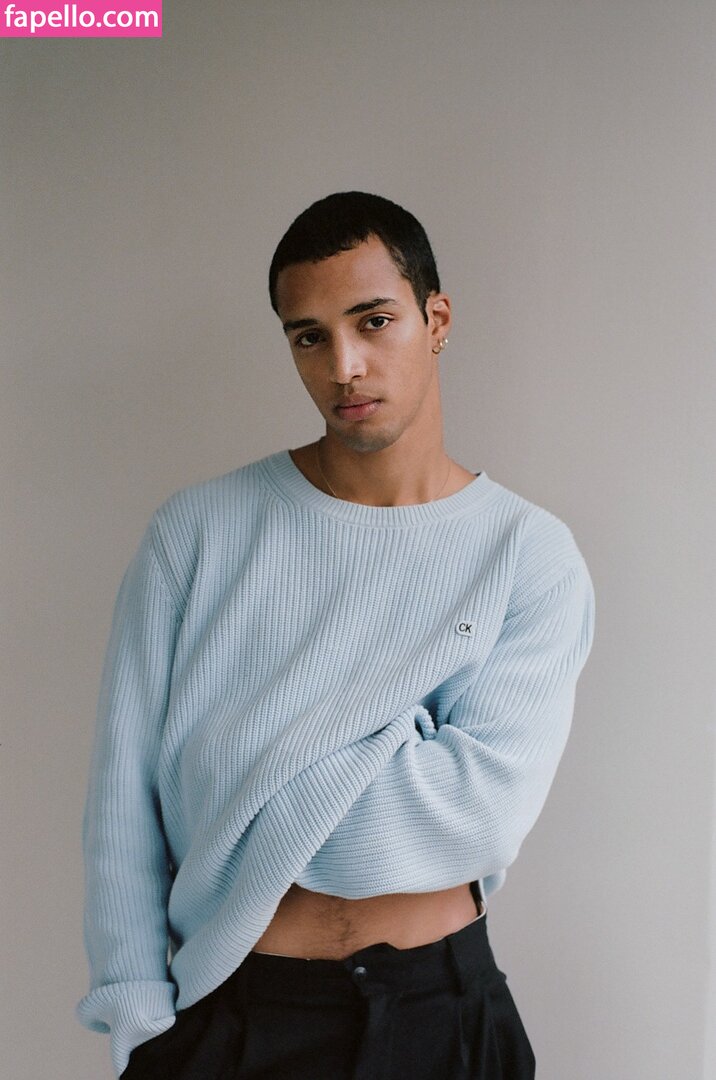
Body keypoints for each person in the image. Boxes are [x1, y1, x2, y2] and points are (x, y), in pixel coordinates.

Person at [77, 191, 596, 1079]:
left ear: (436, 320)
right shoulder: (197, 535)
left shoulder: (526, 554)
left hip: (442, 1017)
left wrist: (239, 768)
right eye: (309, 336)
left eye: (374, 321)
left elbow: (475, 815)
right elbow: (125, 801)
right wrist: (137, 1018)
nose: (344, 366)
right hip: (233, 1011)